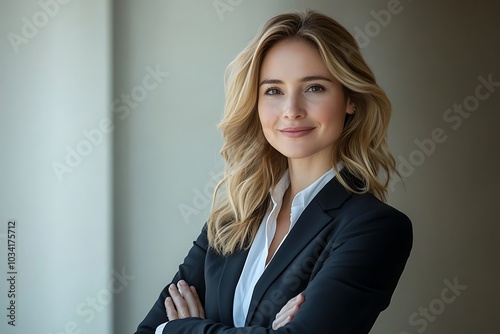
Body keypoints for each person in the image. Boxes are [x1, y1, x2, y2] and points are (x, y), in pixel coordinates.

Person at [135, 9, 412, 334]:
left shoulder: (374, 228)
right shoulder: (230, 222)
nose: (292, 111)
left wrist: (180, 329)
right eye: (273, 91)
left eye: (314, 88)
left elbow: (161, 329)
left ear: (349, 98)